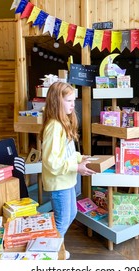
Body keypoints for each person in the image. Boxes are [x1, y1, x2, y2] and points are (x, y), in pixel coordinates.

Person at [41, 82, 95, 259]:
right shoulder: (54, 127)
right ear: (57, 102)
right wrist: (76, 167)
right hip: (59, 183)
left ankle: (54, 250)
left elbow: (67, 152)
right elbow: (51, 162)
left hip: (67, 180)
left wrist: (80, 158)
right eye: (69, 100)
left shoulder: (63, 123)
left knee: (70, 214)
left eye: (74, 100)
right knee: (62, 221)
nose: (73, 104)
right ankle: (50, 254)